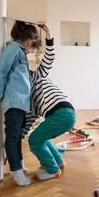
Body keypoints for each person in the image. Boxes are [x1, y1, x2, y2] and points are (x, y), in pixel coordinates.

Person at [0, 21, 41, 186]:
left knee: (18, 136)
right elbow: (0, 68)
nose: (32, 51)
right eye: (33, 48)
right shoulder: (13, 50)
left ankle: (19, 165)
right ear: (29, 41)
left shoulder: (19, 52)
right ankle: (15, 171)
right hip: (14, 102)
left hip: (20, 103)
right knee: (12, 137)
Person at [28, 23, 76, 181]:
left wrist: (48, 33)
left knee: (35, 139)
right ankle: (58, 162)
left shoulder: (38, 75)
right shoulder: (28, 97)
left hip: (61, 112)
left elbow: (49, 56)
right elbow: (30, 121)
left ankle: (52, 169)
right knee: (40, 136)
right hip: (66, 114)